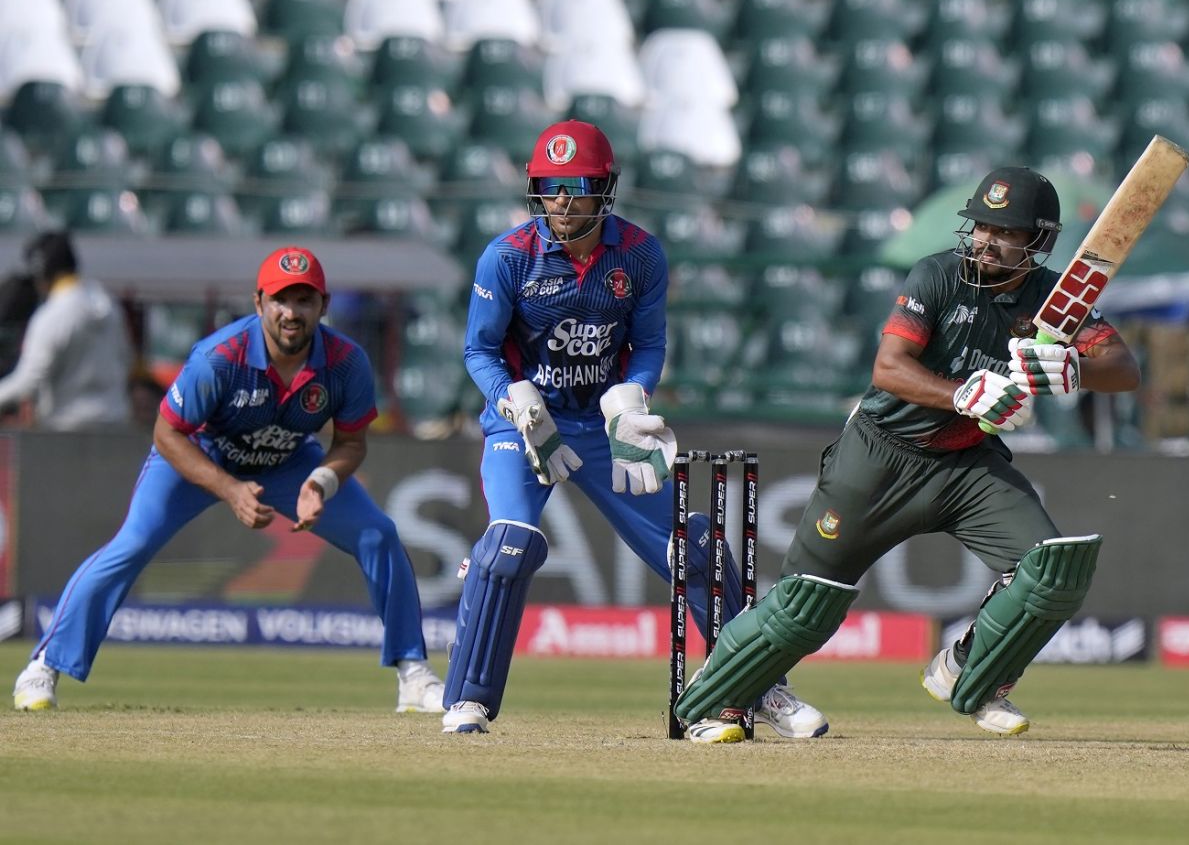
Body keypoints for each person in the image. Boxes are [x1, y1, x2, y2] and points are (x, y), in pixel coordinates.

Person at [674, 167, 1142, 738]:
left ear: (1037, 240)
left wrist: (1074, 370)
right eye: (982, 226)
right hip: (880, 456)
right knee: (806, 603)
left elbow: (1125, 369)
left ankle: (973, 673)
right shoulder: (938, 275)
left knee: (1053, 571)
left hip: (964, 466)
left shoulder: (1053, 300)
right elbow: (889, 369)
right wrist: (962, 394)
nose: (986, 240)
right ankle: (711, 705)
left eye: (1005, 232)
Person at [443, 119, 826, 741]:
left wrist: (630, 399)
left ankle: (757, 687)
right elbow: (479, 350)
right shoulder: (507, 256)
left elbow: (648, 344)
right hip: (526, 422)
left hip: (601, 425)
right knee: (508, 545)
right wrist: (510, 397)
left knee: (694, 548)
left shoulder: (640, 254)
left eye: (576, 187)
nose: (561, 201)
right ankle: (468, 701)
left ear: (604, 189)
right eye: (549, 186)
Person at [13, 246, 444, 714]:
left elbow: (351, 443)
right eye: (280, 300)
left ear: (323, 305)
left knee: (379, 534)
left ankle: (413, 675)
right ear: (258, 303)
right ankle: (43, 666)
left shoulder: (346, 362)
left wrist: (321, 482)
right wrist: (229, 488)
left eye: (304, 300)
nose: (291, 312)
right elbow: (167, 433)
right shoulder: (219, 357)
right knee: (132, 545)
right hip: (201, 453)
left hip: (288, 460)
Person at [0, 231, 131, 429]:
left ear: (41, 272)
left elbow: (29, 381)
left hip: (66, 428)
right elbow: (126, 358)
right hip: (114, 422)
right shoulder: (108, 304)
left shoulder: (52, 315)